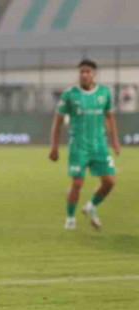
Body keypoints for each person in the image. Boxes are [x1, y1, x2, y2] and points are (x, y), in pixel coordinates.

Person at [49, 59, 121, 230]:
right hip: (78, 146)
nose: (84, 75)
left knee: (110, 181)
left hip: (99, 146)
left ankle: (91, 206)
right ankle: (70, 218)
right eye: (81, 72)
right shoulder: (70, 94)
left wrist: (115, 141)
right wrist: (54, 147)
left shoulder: (104, 93)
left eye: (87, 71)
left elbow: (110, 117)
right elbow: (58, 121)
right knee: (77, 183)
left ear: (94, 74)